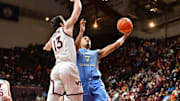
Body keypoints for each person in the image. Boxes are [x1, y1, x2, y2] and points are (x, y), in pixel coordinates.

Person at [75, 19, 132, 101]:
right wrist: (81, 32)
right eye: (85, 38)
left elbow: (113, 46)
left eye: (89, 39)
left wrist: (124, 37)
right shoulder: (76, 52)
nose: (87, 39)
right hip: (81, 84)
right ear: (80, 43)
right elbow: (75, 46)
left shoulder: (96, 53)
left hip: (96, 83)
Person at [43, 0, 83, 101]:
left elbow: (46, 48)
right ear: (61, 23)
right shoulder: (65, 28)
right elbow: (78, 10)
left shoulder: (53, 37)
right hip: (68, 66)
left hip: (56, 69)